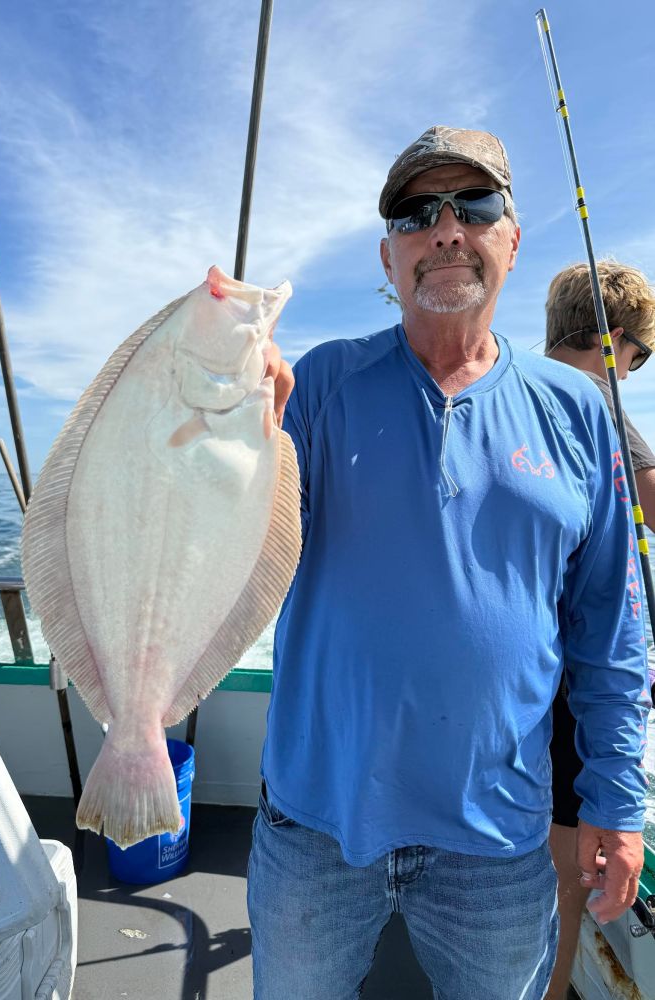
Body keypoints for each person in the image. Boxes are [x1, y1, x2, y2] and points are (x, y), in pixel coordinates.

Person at [255, 125, 650, 1000]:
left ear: (511, 237)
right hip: (317, 827)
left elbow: (610, 631)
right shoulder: (317, 388)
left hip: (499, 842)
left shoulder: (580, 413)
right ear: (389, 255)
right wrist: (233, 435)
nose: (445, 228)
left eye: (474, 205)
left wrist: (618, 802)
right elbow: (238, 558)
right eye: (415, 211)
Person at [543, 260, 655, 1000]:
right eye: (641, 355)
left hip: (525, 662)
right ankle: (548, 988)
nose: (637, 370)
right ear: (614, 342)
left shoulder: (513, 387)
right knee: (565, 864)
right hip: (581, 667)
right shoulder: (601, 406)